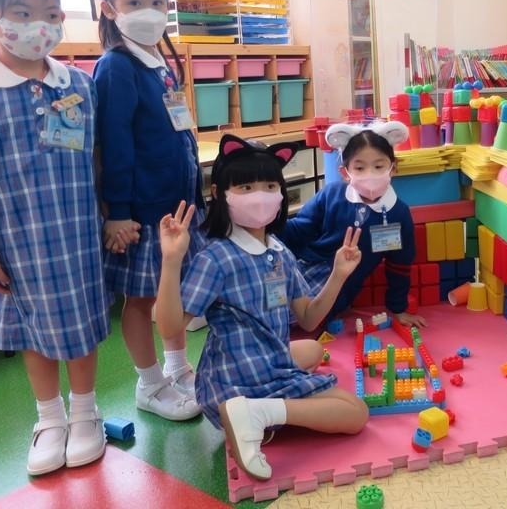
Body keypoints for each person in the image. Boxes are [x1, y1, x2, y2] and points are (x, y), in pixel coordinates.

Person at [0, 0, 109, 474]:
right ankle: (49, 417)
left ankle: (86, 412)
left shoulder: (79, 85)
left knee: (81, 325)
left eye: (51, 14)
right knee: (30, 331)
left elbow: (96, 160)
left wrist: (107, 216)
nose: (39, 26)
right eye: (22, 14)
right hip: (16, 241)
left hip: (77, 233)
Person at [154, 135, 369, 480]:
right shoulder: (216, 258)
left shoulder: (278, 251)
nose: (261, 195)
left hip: (233, 371)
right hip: (238, 383)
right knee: (355, 412)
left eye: (270, 186)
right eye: (246, 187)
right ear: (220, 194)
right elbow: (169, 327)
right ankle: (258, 413)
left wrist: (338, 274)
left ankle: (254, 411)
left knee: (312, 349)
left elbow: (309, 318)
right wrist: (171, 260)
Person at [93, 0, 205, 421]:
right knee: (140, 299)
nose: (149, 11)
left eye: (158, 1)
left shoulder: (158, 61)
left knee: (172, 290)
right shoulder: (116, 66)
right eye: (134, 2)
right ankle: (150, 382)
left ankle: (178, 367)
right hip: (141, 213)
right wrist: (117, 212)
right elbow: (113, 145)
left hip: (176, 206)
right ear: (109, 8)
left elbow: (178, 131)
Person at [279, 121, 424, 327]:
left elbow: (399, 266)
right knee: (265, 304)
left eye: (378, 166)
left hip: (339, 286)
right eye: (359, 167)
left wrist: (398, 308)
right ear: (345, 172)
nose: (370, 174)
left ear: (393, 168)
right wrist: (269, 224)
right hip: (303, 267)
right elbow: (298, 230)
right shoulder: (332, 194)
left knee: (288, 318)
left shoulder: (398, 213)